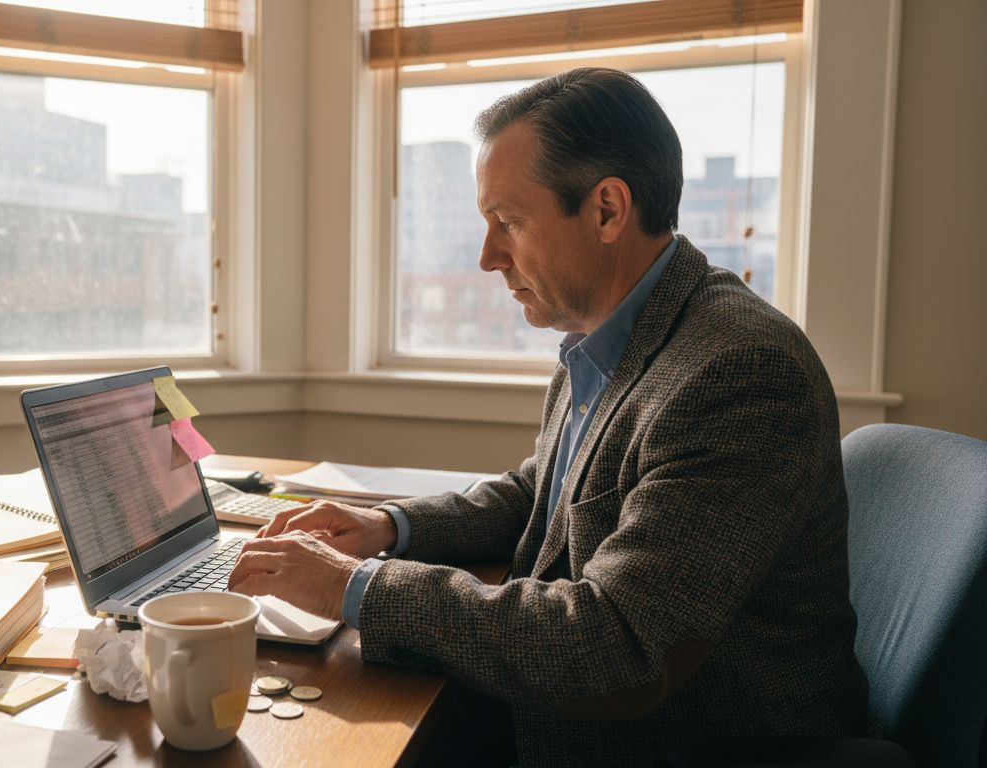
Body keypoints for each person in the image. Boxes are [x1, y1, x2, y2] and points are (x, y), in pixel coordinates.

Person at [227, 67, 867, 766]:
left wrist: (355, 585)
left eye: (508, 222)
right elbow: (545, 493)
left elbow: (617, 646)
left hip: (675, 742)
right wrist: (389, 526)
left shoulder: (739, 373)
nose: (486, 257)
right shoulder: (614, 335)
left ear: (606, 210)